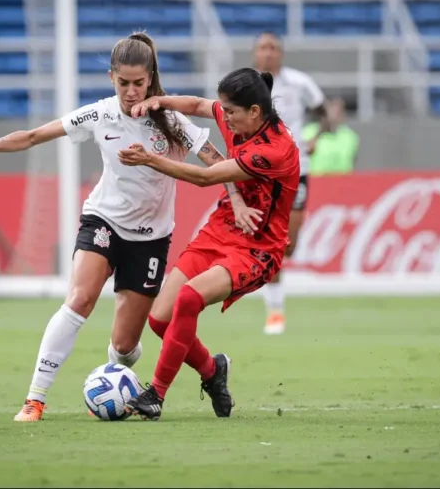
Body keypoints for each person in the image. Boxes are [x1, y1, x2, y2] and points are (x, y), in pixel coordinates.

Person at [0, 32, 262, 422]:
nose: (131, 91)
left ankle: (120, 379)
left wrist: (237, 200)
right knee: (79, 300)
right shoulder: (99, 114)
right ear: (111, 78)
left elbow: (217, 161)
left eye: (138, 83)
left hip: (151, 239)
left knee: (124, 346)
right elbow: (37, 135)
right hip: (103, 220)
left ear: (150, 78)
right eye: (123, 83)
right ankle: (34, 399)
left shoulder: (172, 121)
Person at [116, 67, 301, 420]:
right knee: (160, 320)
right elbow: (200, 105)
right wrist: (159, 100)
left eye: (230, 112)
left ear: (254, 112)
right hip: (220, 230)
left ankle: (155, 394)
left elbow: (204, 177)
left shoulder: (274, 151)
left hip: (257, 249)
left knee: (188, 298)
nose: (224, 118)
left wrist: (150, 159)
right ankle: (212, 371)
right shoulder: (241, 119)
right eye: (224, 110)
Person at [252, 31, 326, 335]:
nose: (268, 52)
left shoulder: (300, 82)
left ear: (281, 53)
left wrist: (315, 137)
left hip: (296, 168)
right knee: (272, 241)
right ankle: (275, 311)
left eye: (273, 48)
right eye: (263, 48)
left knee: (289, 244)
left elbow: (324, 112)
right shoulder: (247, 85)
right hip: (261, 170)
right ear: (255, 53)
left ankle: (273, 298)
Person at [303, 97, 360, 176]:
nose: (332, 118)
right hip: (316, 180)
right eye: (329, 113)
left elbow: (350, 162)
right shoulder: (308, 132)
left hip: (342, 180)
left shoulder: (350, 137)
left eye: (337, 113)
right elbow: (305, 153)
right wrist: (320, 132)